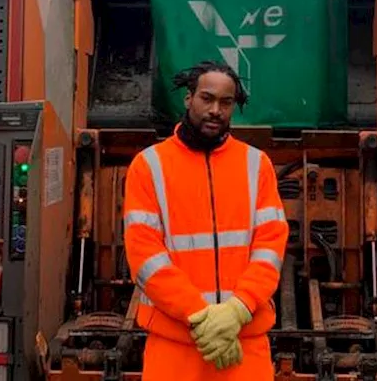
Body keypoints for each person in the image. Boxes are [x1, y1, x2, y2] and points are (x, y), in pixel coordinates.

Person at [122, 61, 289, 380]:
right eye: (207, 98)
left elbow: (269, 248)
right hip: (177, 346)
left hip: (243, 341)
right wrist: (202, 318)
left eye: (226, 103)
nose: (216, 110)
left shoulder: (256, 165)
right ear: (189, 98)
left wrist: (238, 309)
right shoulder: (149, 166)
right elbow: (145, 257)